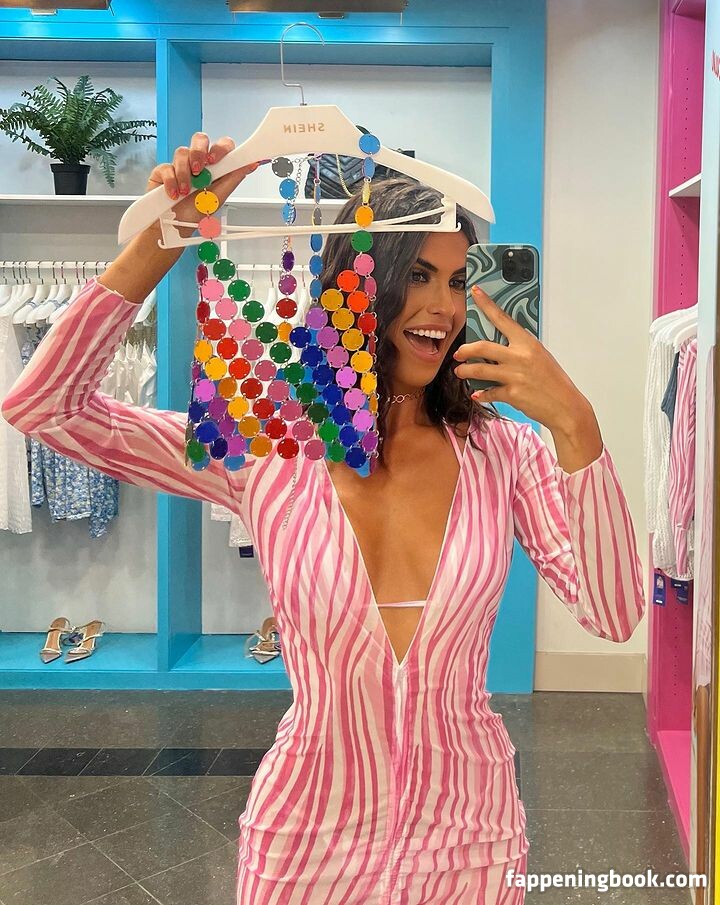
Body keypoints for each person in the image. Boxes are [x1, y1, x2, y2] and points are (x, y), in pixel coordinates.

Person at [1, 133, 646, 904]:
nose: (443, 306)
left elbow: (612, 613)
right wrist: (166, 234)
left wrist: (577, 426)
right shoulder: (270, 445)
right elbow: (45, 406)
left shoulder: (502, 453)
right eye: (417, 274)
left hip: (472, 841)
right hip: (307, 843)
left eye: (456, 279)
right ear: (359, 283)